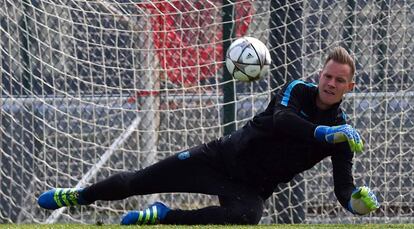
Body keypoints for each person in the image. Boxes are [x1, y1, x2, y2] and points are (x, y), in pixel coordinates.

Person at [38, 46, 379, 225]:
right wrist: (325, 132)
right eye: (327, 76)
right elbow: (282, 121)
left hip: (250, 188)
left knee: (247, 218)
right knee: (140, 181)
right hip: (219, 158)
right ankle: (79, 196)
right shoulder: (298, 91)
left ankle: (164, 216)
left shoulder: (343, 133)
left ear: (350, 86)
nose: (330, 84)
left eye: (338, 80)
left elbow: (343, 187)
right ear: (320, 75)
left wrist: (355, 203)